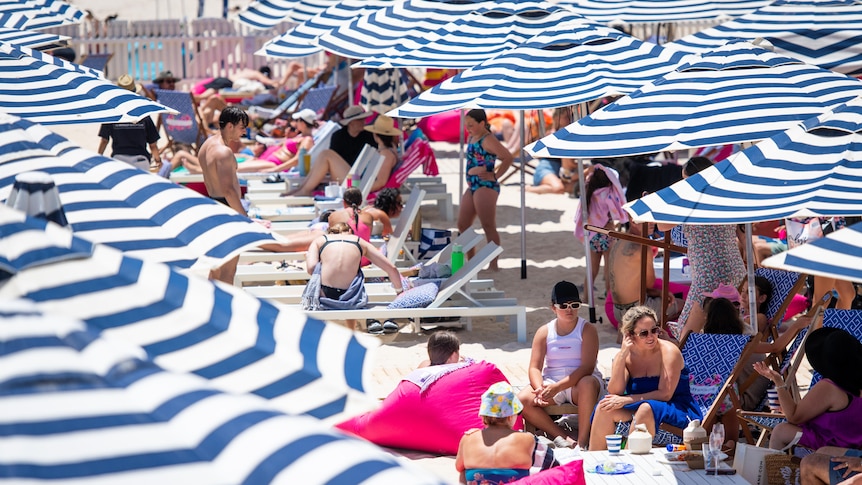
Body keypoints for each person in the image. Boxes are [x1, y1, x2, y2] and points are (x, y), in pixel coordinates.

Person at [589, 306, 702, 450]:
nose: (651, 336)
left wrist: (627, 399)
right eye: (644, 333)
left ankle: (629, 465)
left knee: (645, 409)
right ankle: (594, 462)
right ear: (629, 335)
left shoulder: (669, 352)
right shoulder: (626, 356)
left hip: (676, 409)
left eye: (654, 330)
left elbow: (665, 394)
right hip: (640, 408)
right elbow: (614, 390)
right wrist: (622, 355)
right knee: (604, 407)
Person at [661, 156, 745, 339]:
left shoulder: (692, 199)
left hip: (709, 273)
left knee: (688, 331)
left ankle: (690, 365)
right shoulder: (726, 195)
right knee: (728, 324)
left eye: (685, 180)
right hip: (736, 269)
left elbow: (662, 225)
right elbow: (743, 235)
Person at [518, 281, 603, 448]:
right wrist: (540, 388)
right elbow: (534, 367)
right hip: (552, 381)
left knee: (587, 383)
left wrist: (557, 387)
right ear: (553, 307)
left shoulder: (587, 329)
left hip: (580, 382)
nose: (569, 309)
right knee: (522, 399)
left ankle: (584, 441)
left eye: (574, 304)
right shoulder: (544, 331)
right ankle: (563, 437)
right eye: (563, 305)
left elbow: (587, 367)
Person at [753, 326, 862, 451]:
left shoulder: (829, 387)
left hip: (835, 447)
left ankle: (775, 469)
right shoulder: (855, 380)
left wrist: (778, 381)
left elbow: (794, 417)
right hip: (855, 446)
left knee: (781, 431)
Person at [301, 222, 404, 331]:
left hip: (325, 297)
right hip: (351, 298)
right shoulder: (359, 241)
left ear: (331, 232)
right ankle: (351, 330)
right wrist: (400, 293)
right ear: (350, 231)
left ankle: (322, 331)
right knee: (353, 282)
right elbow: (391, 268)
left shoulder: (320, 240)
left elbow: (311, 268)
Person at [286, 115, 402, 197]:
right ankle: (303, 188)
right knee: (325, 154)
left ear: (376, 134)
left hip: (358, 184)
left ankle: (304, 190)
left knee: (327, 155)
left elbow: (381, 182)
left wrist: (358, 189)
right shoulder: (385, 150)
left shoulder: (386, 153)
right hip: (358, 179)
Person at [457, 109, 514, 271]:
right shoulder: (472, 136)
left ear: (482, 123)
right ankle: (472, 261)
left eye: (471, 125)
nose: (468, 128)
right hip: (473, 185)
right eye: (466, 125)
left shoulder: (487, 139)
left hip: (485, 186)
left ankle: (493, 264)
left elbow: (507, 157)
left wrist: (495, 175)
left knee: (488, 225)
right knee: (462, 224)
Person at [198, 107, 250, 283]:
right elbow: (228, 190)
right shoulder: (223, 152)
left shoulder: (206, 145)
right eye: (242, 127)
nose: (245, 131)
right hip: (228, 211)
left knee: (216, 267)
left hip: (214, 208)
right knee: (228, 269)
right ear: (230, 126)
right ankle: (224, 309)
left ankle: (212, 306)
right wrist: (244, 217)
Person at [455, 382, 541, 484]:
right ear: (510, 416)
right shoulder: (527, 438)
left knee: (464, 471)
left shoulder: (468, 437)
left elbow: (459, 466)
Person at [608, 223, 683, 327]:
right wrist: (660, 293)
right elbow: (650, 283)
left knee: (665, 298)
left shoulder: (619, 242)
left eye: (652, 221)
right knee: (684, 306)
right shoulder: (643, 247)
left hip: (616, 309)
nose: (652, 224)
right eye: (647, 221)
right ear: (633, 222)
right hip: (637, 309)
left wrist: (659, 293)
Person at [574, 164, 628, 299]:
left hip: (592, 234)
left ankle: (586, 297)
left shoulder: (589, 190)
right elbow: (615, 211)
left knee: (592, 270)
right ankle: (609, 297)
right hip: (607, 233)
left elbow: (582, 177)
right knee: (609, 270)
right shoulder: (609, 193)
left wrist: (590, 169)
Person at [97, 74, 161, 172]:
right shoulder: (143, 115)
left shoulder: (112, 114)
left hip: (119, 160)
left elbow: (104, 140)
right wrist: (158, 160)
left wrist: (98, 157)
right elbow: (153, 144)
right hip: (140, 160)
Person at [526, 107, 578, 195]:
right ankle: (528, 189)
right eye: (566, 117)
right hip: (545, 170)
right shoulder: (555, 136)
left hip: (557, 172)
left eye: (570, 116)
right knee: (559, 188)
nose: (569, 120)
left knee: (570, 187)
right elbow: (568, 164)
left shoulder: (558, 134)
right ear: (556, 118)